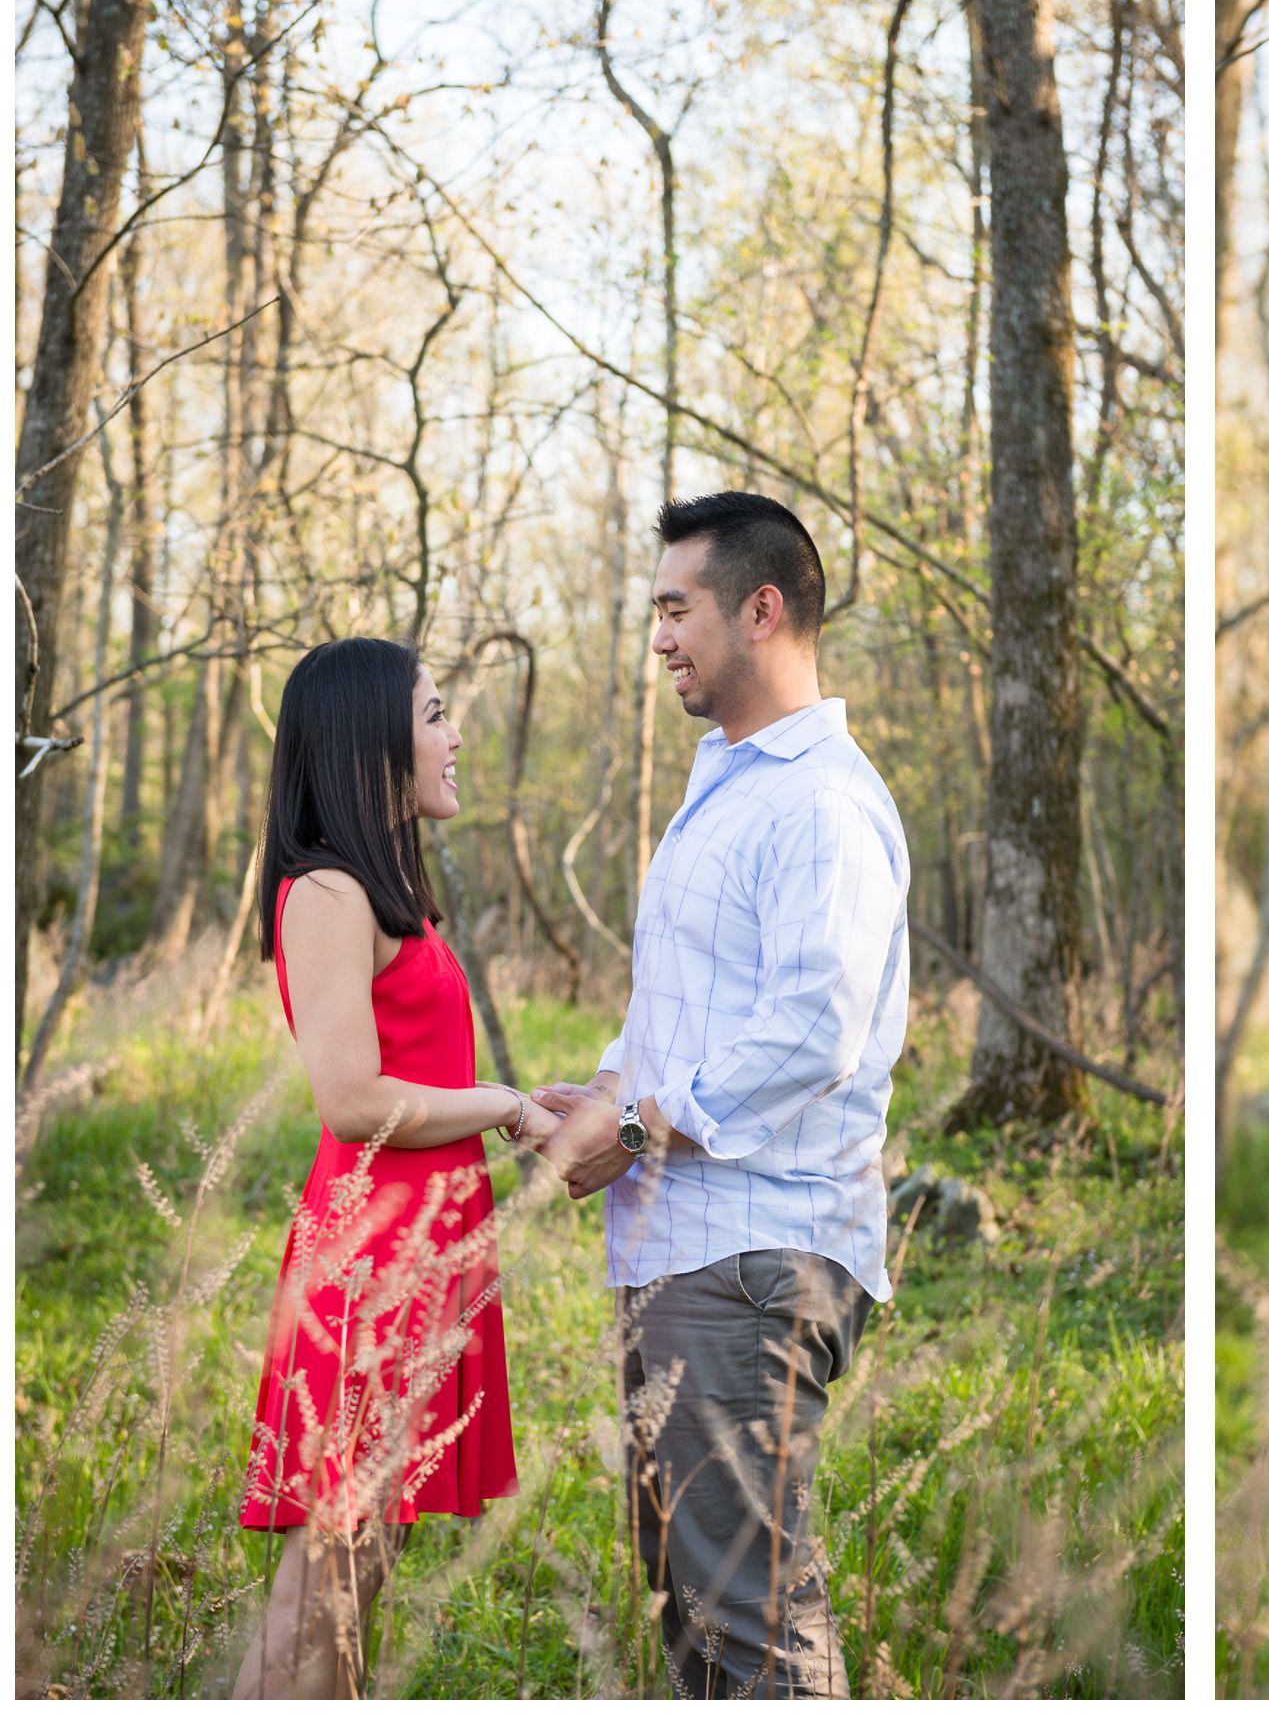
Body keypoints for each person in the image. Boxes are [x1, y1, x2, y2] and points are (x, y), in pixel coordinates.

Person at [533, 492, 909, 1698]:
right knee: (693, 1611)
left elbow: (813, 1029)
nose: (659, 638)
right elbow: (686, 1004)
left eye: (675, 607)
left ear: (762, 608)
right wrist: (601, 1087)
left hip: (753, 1262)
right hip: (682, 1247)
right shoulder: (731, 783)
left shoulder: (822, 801)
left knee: (751, 1625)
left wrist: (635, 1126)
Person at [235, 638, 530, 1697]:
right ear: (373, 740)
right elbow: (352, 1100)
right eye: (437, 713)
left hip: (424, 1252)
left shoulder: (384, 889)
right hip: (370, 1260)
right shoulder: (326, 893)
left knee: (356, 1590)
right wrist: (507, 1106)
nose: (455, 736)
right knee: (323, 1586)